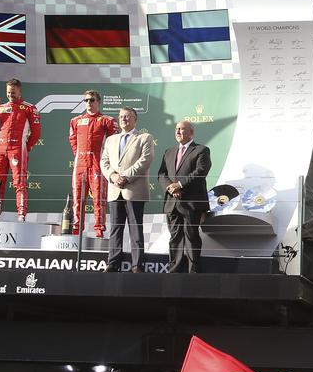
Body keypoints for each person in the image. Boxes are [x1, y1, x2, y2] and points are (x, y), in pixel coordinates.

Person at [101, 108, 155, 273]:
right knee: (115, 228)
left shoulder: (144, 137)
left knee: (135, 228)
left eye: (127, 116)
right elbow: (104, 162)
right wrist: (113, 176)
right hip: (114, 189)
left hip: (134, 189)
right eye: (121, 116)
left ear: (134, 119)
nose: (123, 119)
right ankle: (113, 263)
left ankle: (137, 264)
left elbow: (145, 160)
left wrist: (124, 176)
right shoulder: (111, 139)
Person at [158, 119, 210, 274]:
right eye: (176, 129)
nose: (178, 132)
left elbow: (201, 172)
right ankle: (174, 271)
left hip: (191, 203)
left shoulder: (201, 150)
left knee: (191, 236)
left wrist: (180, 185)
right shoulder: (169, 151)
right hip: (172, 202)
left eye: (182, 129)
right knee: (175, 238)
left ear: (191, 132)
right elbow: (162, 174)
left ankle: (193, 271)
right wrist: (171, 187)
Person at [0, 78, 41, 221]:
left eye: (13, 92)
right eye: (8, 92)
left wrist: (26, 147)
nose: (11, 95)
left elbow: (36, 133)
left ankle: (21, 215)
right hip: (0, 148)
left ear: (20, 91)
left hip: (17, 148)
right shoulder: (0, 107)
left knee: (20, 183)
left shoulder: (29, 108)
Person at [68, 90, 118, 238]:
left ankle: (99, 231)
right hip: (80, 164)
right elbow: (73, 141)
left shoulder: (107, 120)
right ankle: (77, 230)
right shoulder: (75, 120)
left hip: (98, 163)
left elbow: (113, 143)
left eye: (92, 100)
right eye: (86, 100)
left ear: (98, 102)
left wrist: (105, 161)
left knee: (99, 199)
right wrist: (79, 155)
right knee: (78, 198)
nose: (88, 103)